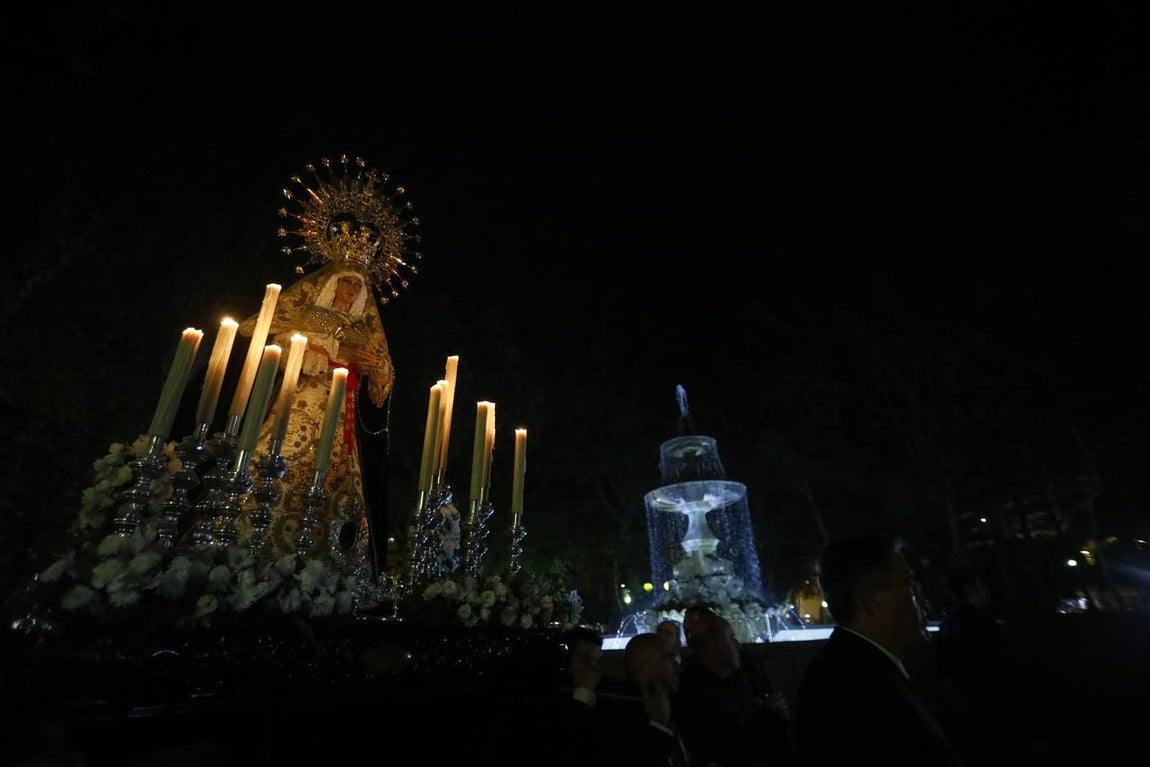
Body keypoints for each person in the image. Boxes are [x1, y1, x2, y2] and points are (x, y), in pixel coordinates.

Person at [230, 156, 418, 578]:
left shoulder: (363, 328)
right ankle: (249, 548)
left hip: (341, 416)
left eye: (358, 285)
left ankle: (328, 568)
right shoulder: (305, 313)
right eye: (346, 281)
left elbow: (384, 379)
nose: (351, 288)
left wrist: (375, 368)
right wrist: (302, 344)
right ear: (330, 282)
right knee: (279, 463)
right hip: (299, 400)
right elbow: (255, 330)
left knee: (336, 484)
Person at [792, 533, 966, 767]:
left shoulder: (852, 670)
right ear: (872, 601)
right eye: (910, 587)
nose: (922, 601)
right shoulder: (856, 690)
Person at [675, 610, 797, 767]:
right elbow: (723, 750)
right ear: (715, 645)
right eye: (731, 638)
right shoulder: (691, 694)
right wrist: (770, 715)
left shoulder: (745, 675)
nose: (737, 645)